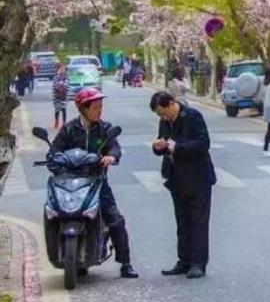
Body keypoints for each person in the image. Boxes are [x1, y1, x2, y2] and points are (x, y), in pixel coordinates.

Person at [52, 87, 138, 279]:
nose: (99, 110)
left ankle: (125, 263)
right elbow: (54, 152)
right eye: (96, 107)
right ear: (83, 108)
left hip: (97, 182)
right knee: (54, 212)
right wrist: (54, 159)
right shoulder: (68, 129)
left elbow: (114, 147)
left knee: (115, 219)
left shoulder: (105, 129)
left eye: (101, 107)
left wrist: (111, 156)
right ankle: (70, 256)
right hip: (70, 183)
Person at [151, 90, 216, 278]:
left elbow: (203, 144)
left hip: (198, 178)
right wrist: (159, 147)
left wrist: (177, 147)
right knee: (182, 221)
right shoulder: (164, 121)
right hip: (176, 177)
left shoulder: (193, 116)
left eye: (164, 112)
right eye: (160, 115)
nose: (163, 117)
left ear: (172, 103)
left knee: (198, 222)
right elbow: (164, 144)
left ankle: (198, 263)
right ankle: (184, 260)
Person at [52, 64, 69, 130]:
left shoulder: (67, 77)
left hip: (64, 96)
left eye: (63, 69)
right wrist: (60, 85)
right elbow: (55, 85)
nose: (62, 71)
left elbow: (67, 85)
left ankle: (64, 123)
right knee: (57, 110)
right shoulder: (55, 77)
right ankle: (57, 121)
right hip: (56, 96)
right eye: (60, 69)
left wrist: (61, 85)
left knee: (64, 109)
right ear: (58, 70)